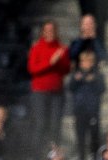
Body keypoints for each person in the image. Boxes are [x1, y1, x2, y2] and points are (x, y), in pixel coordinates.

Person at [27, 21, 71, 151]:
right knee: (40, 124)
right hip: (40, 92)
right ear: (43, 32)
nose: (50, 33)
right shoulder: (36, 48)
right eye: (47, 30)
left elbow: (66, 70)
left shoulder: (61, 48)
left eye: (52, 30)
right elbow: (32, 69)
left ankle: (54, 154)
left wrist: (61, 60)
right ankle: (37, 154)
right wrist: (50, 62)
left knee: (55, 125)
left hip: (57, 92)